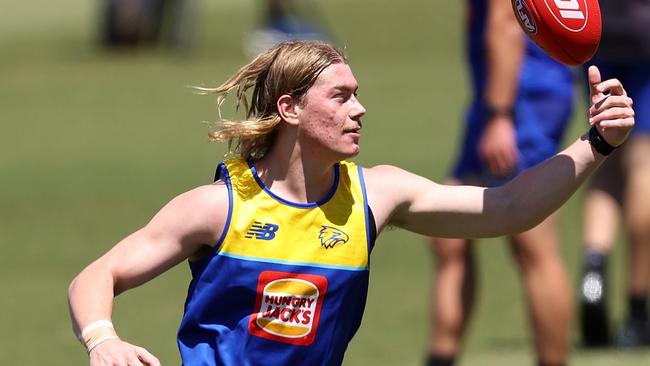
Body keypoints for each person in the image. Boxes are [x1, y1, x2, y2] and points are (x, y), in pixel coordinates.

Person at [67, 40, 634, 366]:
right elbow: (99, 274)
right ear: (290, 109)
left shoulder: (376, 194)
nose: (359, 109)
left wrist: (597, 143)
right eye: (340, 97)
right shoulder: (218, 207)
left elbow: (508, 209)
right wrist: (103, 339)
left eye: (357, 95)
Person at [427, 1, 575, 365]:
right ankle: (440, 357)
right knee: (448, 238)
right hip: (498, 97)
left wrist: (500, 116)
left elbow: (507, 20)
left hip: (520, 98)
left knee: (533, 243)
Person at [578, 0, 650, 348]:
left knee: (606, 157)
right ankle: (637, 311)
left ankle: (594, 271)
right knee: (643, 164)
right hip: (644, 33)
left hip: (598, 31)